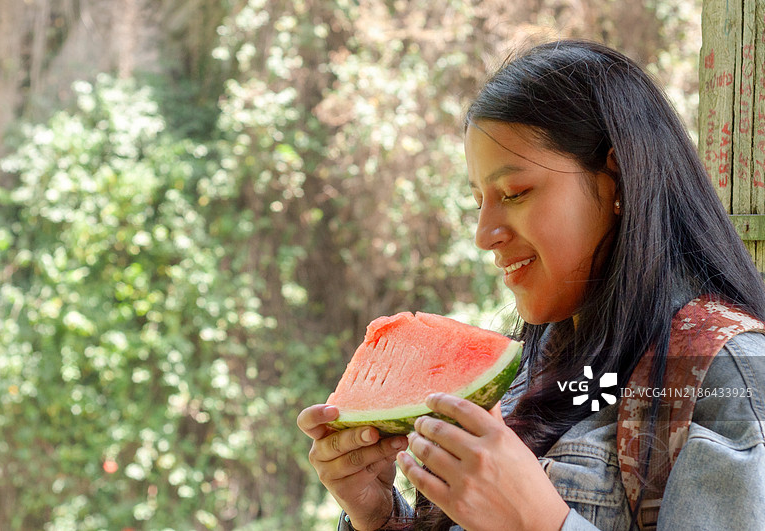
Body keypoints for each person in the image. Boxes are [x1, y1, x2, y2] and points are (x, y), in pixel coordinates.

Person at [297, 39, 765, 531]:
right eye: (478, 199)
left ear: (618, 179)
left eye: (515, 193)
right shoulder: (530, 366)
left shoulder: (725, 373)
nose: (483, 235)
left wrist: (539, 521)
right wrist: (379, 517)